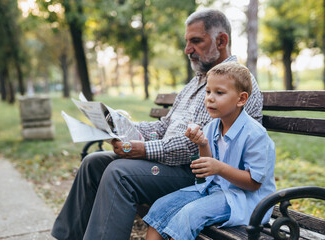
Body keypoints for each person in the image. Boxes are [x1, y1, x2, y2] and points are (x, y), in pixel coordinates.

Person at [51, 8, 263, 240]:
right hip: (170, 165)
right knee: (93, 163)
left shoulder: (235, 85)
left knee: (119, 173)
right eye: (187, 42)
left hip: (201, 175)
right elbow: (164, 126)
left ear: (221, 41)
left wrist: (143, 149)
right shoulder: (196, 83)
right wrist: (124, 128)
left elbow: (194, 147)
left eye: (196, 41)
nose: (187, 50)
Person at [143, 62, 276, 240]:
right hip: (214, 190)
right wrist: (203, 144)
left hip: (244, 200)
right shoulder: (213, 127)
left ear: (241, 99)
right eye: (208, 91)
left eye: (219, 93)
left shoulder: (255, 134)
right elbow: (208, 173)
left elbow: (254, 183)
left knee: (189, 215)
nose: (210, 98)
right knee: (161, 207)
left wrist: (219, 168)